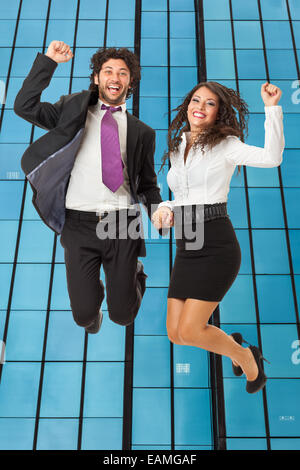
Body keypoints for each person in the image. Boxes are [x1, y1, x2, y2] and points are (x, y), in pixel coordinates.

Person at [14, 41, 163, 333]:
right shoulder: (73, 109)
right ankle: (92, 306)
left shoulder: (143, 132)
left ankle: (135, 273)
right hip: (78, 222)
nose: (115, 77)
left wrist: (159, 213)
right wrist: (50, 61)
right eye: (108, 71)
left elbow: (146, 183)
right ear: (97, 78)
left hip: (122, 223)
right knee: (84, 316)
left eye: (122, 72)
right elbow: (24, 106)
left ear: (130, 82)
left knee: (123, 315)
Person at [152, 81, 284, 393]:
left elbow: (272, 158)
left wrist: (271, 109)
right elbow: (183, 195)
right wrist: (165, 208)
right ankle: (234, 345)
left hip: (215, 244)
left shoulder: (226, 145)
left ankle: (245, 356)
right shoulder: (177, 146)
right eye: (196, 99)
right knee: (175, 333)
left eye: (209, 103)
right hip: (187, 243)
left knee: (192, 329)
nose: (200, 106)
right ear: (187, 105)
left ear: (218, 112)